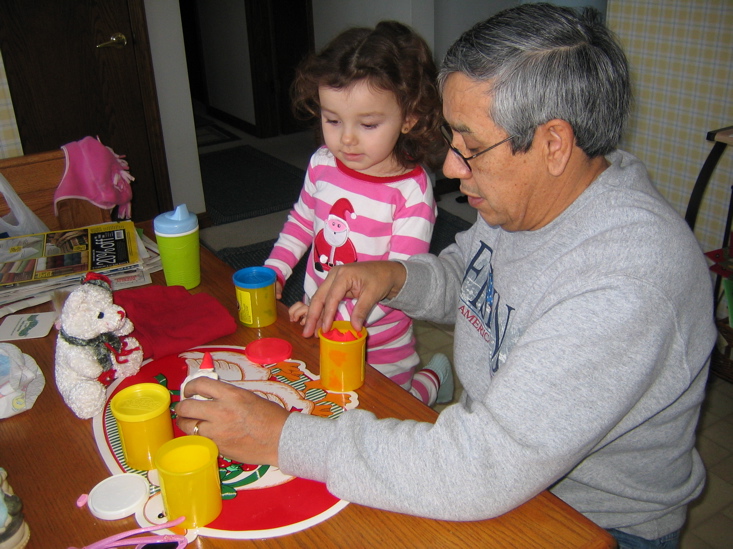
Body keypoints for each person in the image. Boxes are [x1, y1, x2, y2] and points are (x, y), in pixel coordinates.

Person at [177, 4, 716, 547]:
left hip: (588, 521)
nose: (453, 169)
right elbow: (470, 273)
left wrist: (280, 437)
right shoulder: (534, 197)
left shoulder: (626, 283)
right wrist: (392, 276)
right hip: (498, 465)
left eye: (471, 146)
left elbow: (480, 466)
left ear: (554, 143)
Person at [263, 21, 452, 406]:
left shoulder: (411, 190)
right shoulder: (322, 164)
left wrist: (338, 318)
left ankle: (433, 378)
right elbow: (301, 222)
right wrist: (274, 270)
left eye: (367, 124)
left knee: (390, 409)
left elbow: (400, 277)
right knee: (329, 398)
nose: (346, 138)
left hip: (381, 341)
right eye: (332, 120)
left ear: (410, 117)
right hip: (323, 317)